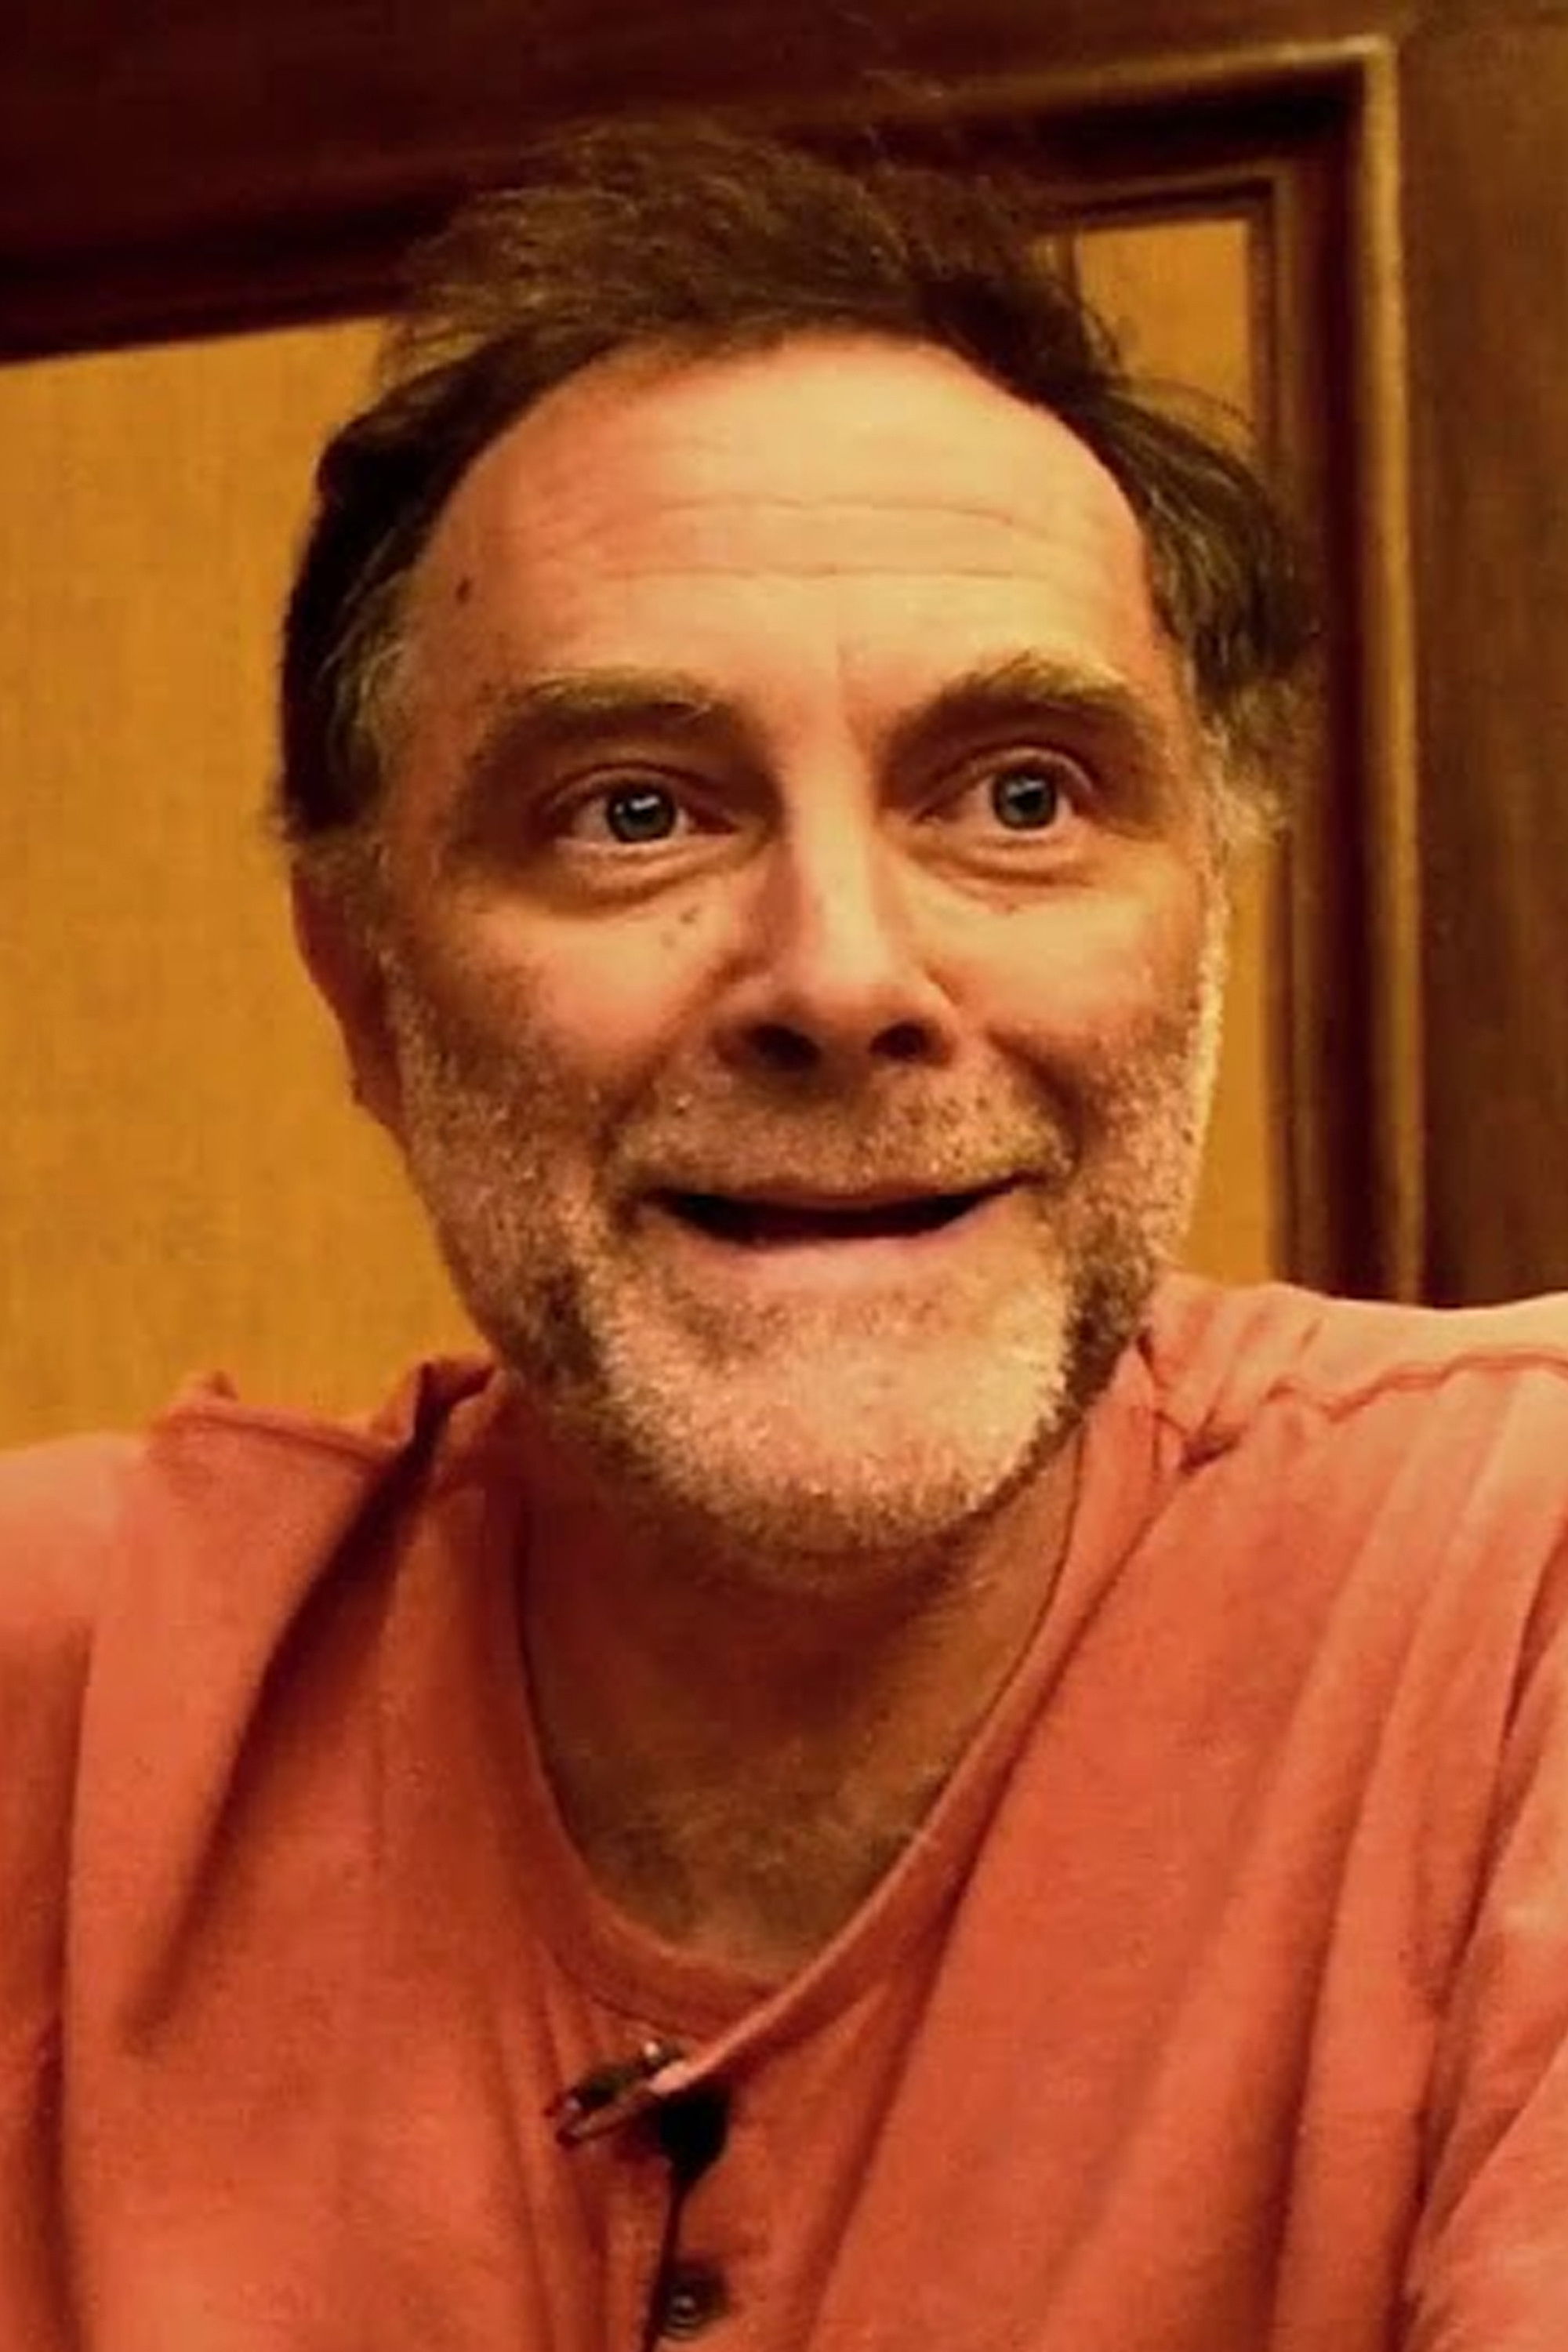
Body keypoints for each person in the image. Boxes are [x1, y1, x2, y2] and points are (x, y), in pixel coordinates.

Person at [3, 117, 1566, 2352]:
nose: (844, 975)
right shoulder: (62, 1716)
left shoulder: (1515, 1594)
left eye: (1020, 795)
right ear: (367, 990)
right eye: (634, 810)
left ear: (1205, 931)